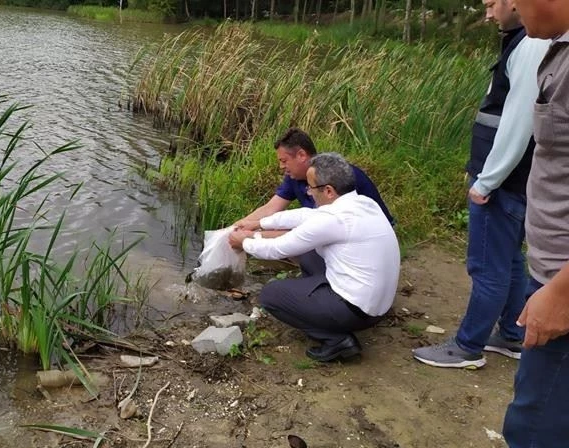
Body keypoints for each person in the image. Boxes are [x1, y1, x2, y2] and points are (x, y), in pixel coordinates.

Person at [412, 0, 550, 369]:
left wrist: (486, 180)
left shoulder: (531, 45)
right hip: (513, 180)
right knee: (508, 259)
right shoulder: (523, 40)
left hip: (503, 183)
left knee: (487, 266)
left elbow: (520, 120)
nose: (487, 14)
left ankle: (467, 346)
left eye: (492, 4)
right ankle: (510, 334)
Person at [229, 153, 400, 362]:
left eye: (311, 187)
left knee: (271, 295)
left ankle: (337, 340)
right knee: (309, 253)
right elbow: (304, 215)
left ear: (328, 191)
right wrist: (259, 224)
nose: (308, 192)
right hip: (378, 307)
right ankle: (315, 302)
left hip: (358, 312)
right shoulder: (363, 203)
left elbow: (278, 248)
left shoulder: (334, 219)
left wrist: (244, 243)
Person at [500, 0, 569, 446]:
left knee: (533, 430)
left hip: (561, 288)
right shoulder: (555, 48)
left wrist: (561, 294)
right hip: (552, 275)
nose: (505, 8)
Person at [233, 128, 394, 238]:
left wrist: (250, 237)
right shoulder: (294, 177)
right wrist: (235, 228)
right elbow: (271, 208)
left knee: (286, 237)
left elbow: (314, 230)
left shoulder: (334, 175)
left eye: (284, 160)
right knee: (273, 230)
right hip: (335, 230)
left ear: (302, 155)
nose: (281, 167)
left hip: (365, 235)